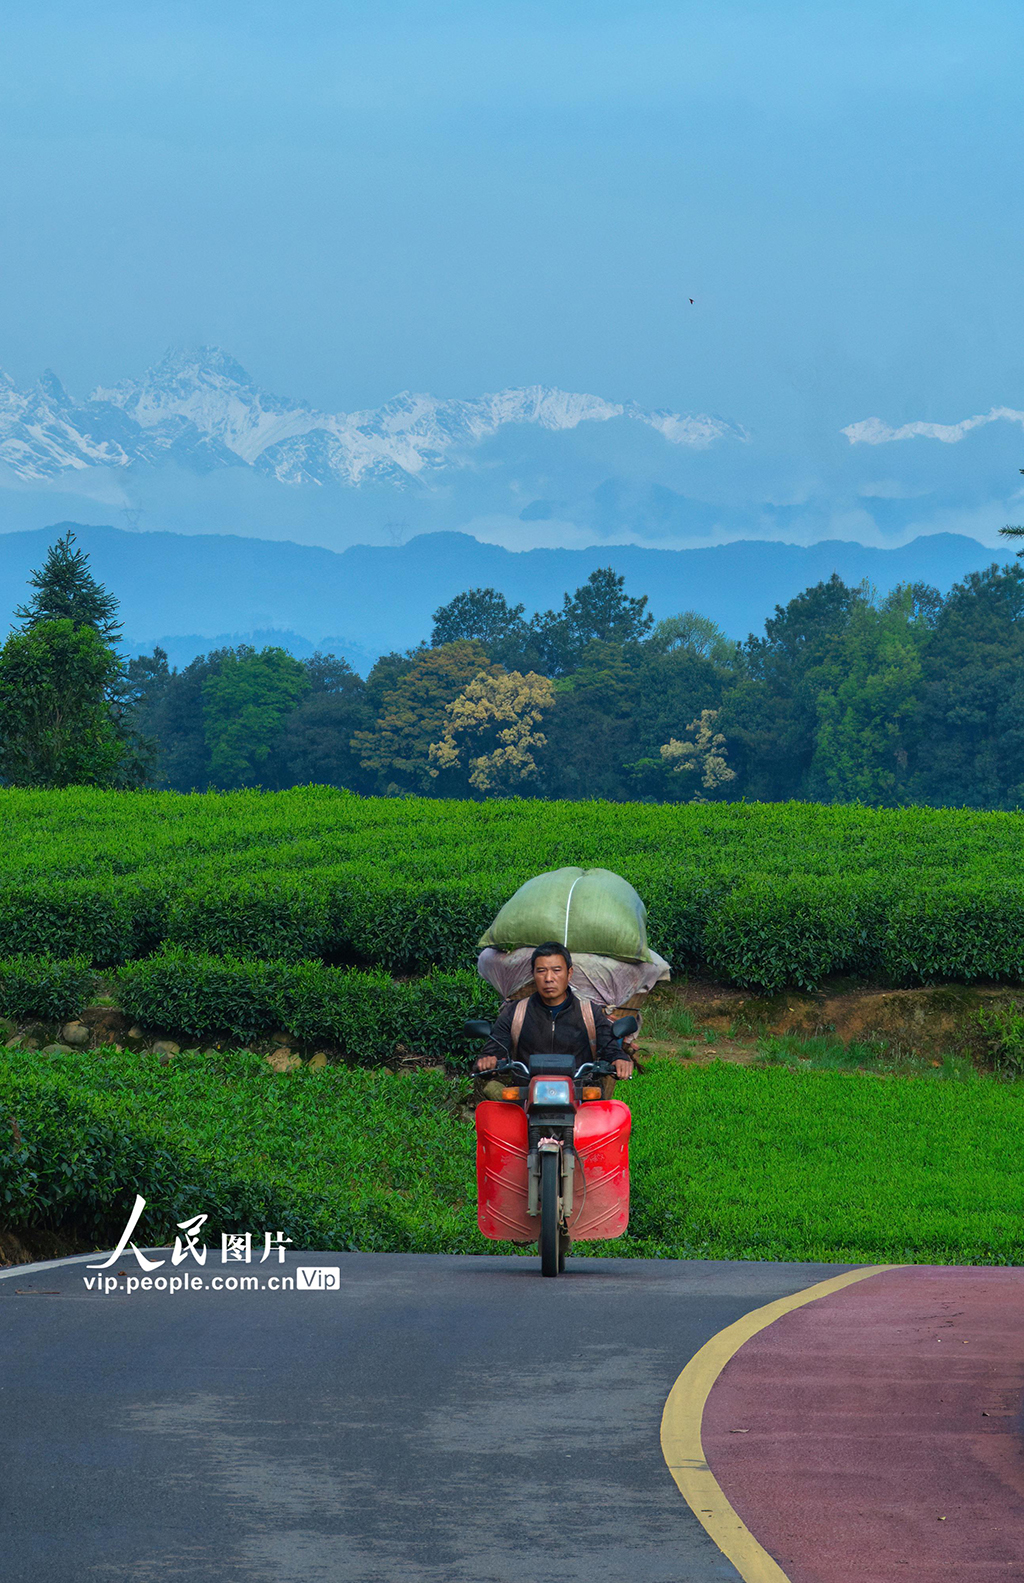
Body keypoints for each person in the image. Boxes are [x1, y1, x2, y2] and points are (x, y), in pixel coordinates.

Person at [475, 941, 635, 1080]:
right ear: (533, 974)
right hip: (527, 1096)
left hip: (579, 1092)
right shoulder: (515, 1013)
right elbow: (492, 1051)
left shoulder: (589, 1013)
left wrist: (620, 1059)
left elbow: (610, 1048)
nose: (549, 978)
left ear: (569, 973)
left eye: (556, 970)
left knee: (615, 1113)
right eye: (541, 971)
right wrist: (487, 1063)